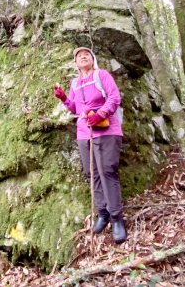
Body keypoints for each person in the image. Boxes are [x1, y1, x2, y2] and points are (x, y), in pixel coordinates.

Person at [53, 47, 127, 244]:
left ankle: (117, 218)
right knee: (91, 172)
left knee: (107, 170)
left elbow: (114, 98)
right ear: (75, 63)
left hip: (107, 129)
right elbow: (76, 108)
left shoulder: (102, 75)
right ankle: (102, 213)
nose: (82, 57)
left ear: (93, 59)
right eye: (78, 56)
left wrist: (101, 114)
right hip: (84, 133)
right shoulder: (75, 82)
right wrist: (63, 99)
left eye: (86, 54)